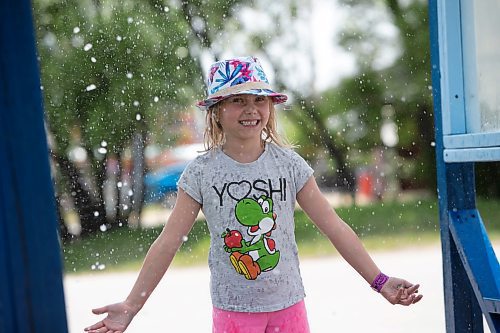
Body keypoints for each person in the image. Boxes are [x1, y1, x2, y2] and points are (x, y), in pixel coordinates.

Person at [85, 56, 422, 333]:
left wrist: (379, 281)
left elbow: (334, 227)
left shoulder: (290, 165)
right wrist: (132, 305)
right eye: (238, 100)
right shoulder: (202, 172)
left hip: (289, 307)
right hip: (234, 312)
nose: (251, 108)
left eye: (259, 99)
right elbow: (168, 242)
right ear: (217, 110)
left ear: (270, 107)